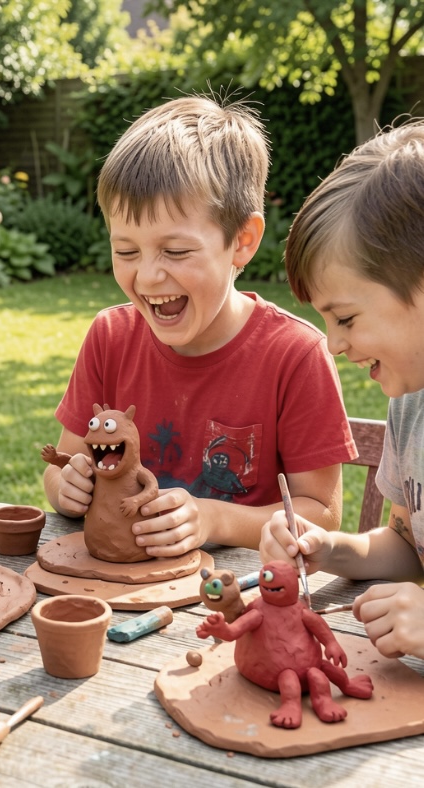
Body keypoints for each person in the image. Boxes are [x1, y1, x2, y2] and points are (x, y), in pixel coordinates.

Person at [43, 94, 356, 558]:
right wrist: (65, 485)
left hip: (233, 601)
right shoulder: (109, 338)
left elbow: (321, 514)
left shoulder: (295, 355)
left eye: (176, 251)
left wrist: (214, 517)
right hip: (114, 589)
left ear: (242, 242)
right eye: (126, 251)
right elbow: (66, 463)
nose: (148, 275)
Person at [260, 119, 424, 660]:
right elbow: (407, 545)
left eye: (347, 317)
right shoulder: (410, 404)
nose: (332, 345)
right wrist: (329, 548)